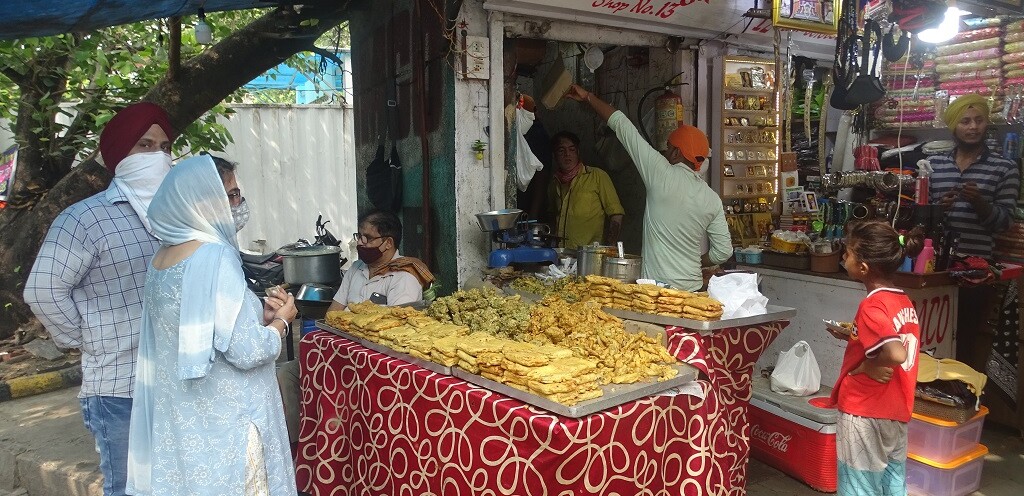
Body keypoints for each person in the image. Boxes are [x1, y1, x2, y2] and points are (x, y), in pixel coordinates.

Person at [23, 102, 176, 496]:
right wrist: (87, 337)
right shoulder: (84, 218)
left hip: (177, 378)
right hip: (119, 384)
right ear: (119, 154)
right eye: (144, 145)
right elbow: (43, 290)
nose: (157, 156)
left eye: (163, 146)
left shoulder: (176, 216)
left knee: (178, 482)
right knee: (129, 486)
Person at [125, 155, 298, 495]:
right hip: (231, 420)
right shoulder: (216, 257)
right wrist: (281, 323)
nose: (238, 204)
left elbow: (201, 327)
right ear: (206, 201)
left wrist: (256, 316)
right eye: (232, 195)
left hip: (190, 421)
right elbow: (247, 351)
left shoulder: (163, 257)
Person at [565, 84, 732, 290]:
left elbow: (622, 125)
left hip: (657, 293)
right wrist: (698, 262)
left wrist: (589, 96)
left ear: (677, 153)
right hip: (694, 292)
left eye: (669, 147)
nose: (665, 152)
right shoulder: (712, 198)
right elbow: (723, 252)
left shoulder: (660, 172)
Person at [827, 220, 925, 496]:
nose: (844, 258)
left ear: (863, 268)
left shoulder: (871, 305)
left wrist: (869, 365)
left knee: (859, 487)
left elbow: (895, 352)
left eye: (847, 253)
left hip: (865, 410)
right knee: (893, 483)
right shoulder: (903, 301)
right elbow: (892, 340)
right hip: (896, 409)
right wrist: (853, 338)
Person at [928, 93, 1020, 259]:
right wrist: (939, 208)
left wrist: (979, 203)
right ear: (954, 125)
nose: (973, 127)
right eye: (965, 121)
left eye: (979, 120)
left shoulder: (1005, 167)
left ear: (986, 124)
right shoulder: (933, 164)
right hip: (933, 261)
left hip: (977, 265)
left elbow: (1005, 224)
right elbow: (918, 217)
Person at [327, 209, 434, 310]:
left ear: (388, 243)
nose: (359, 242)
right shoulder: (356, 268)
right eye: (359, 236)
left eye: (368, 238)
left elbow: (395, 323)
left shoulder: (404, 277)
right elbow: (334, 312)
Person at [547, 130, 625, 249]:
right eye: (561, 150)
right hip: (560, 252)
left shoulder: (597, 176)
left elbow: (616, 214)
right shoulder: (554, 183)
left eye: (572, 149)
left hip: (590, 254)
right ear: (554, 156)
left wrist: (609, 248)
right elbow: (552, 216)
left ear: (578, 152)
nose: (567, 154)